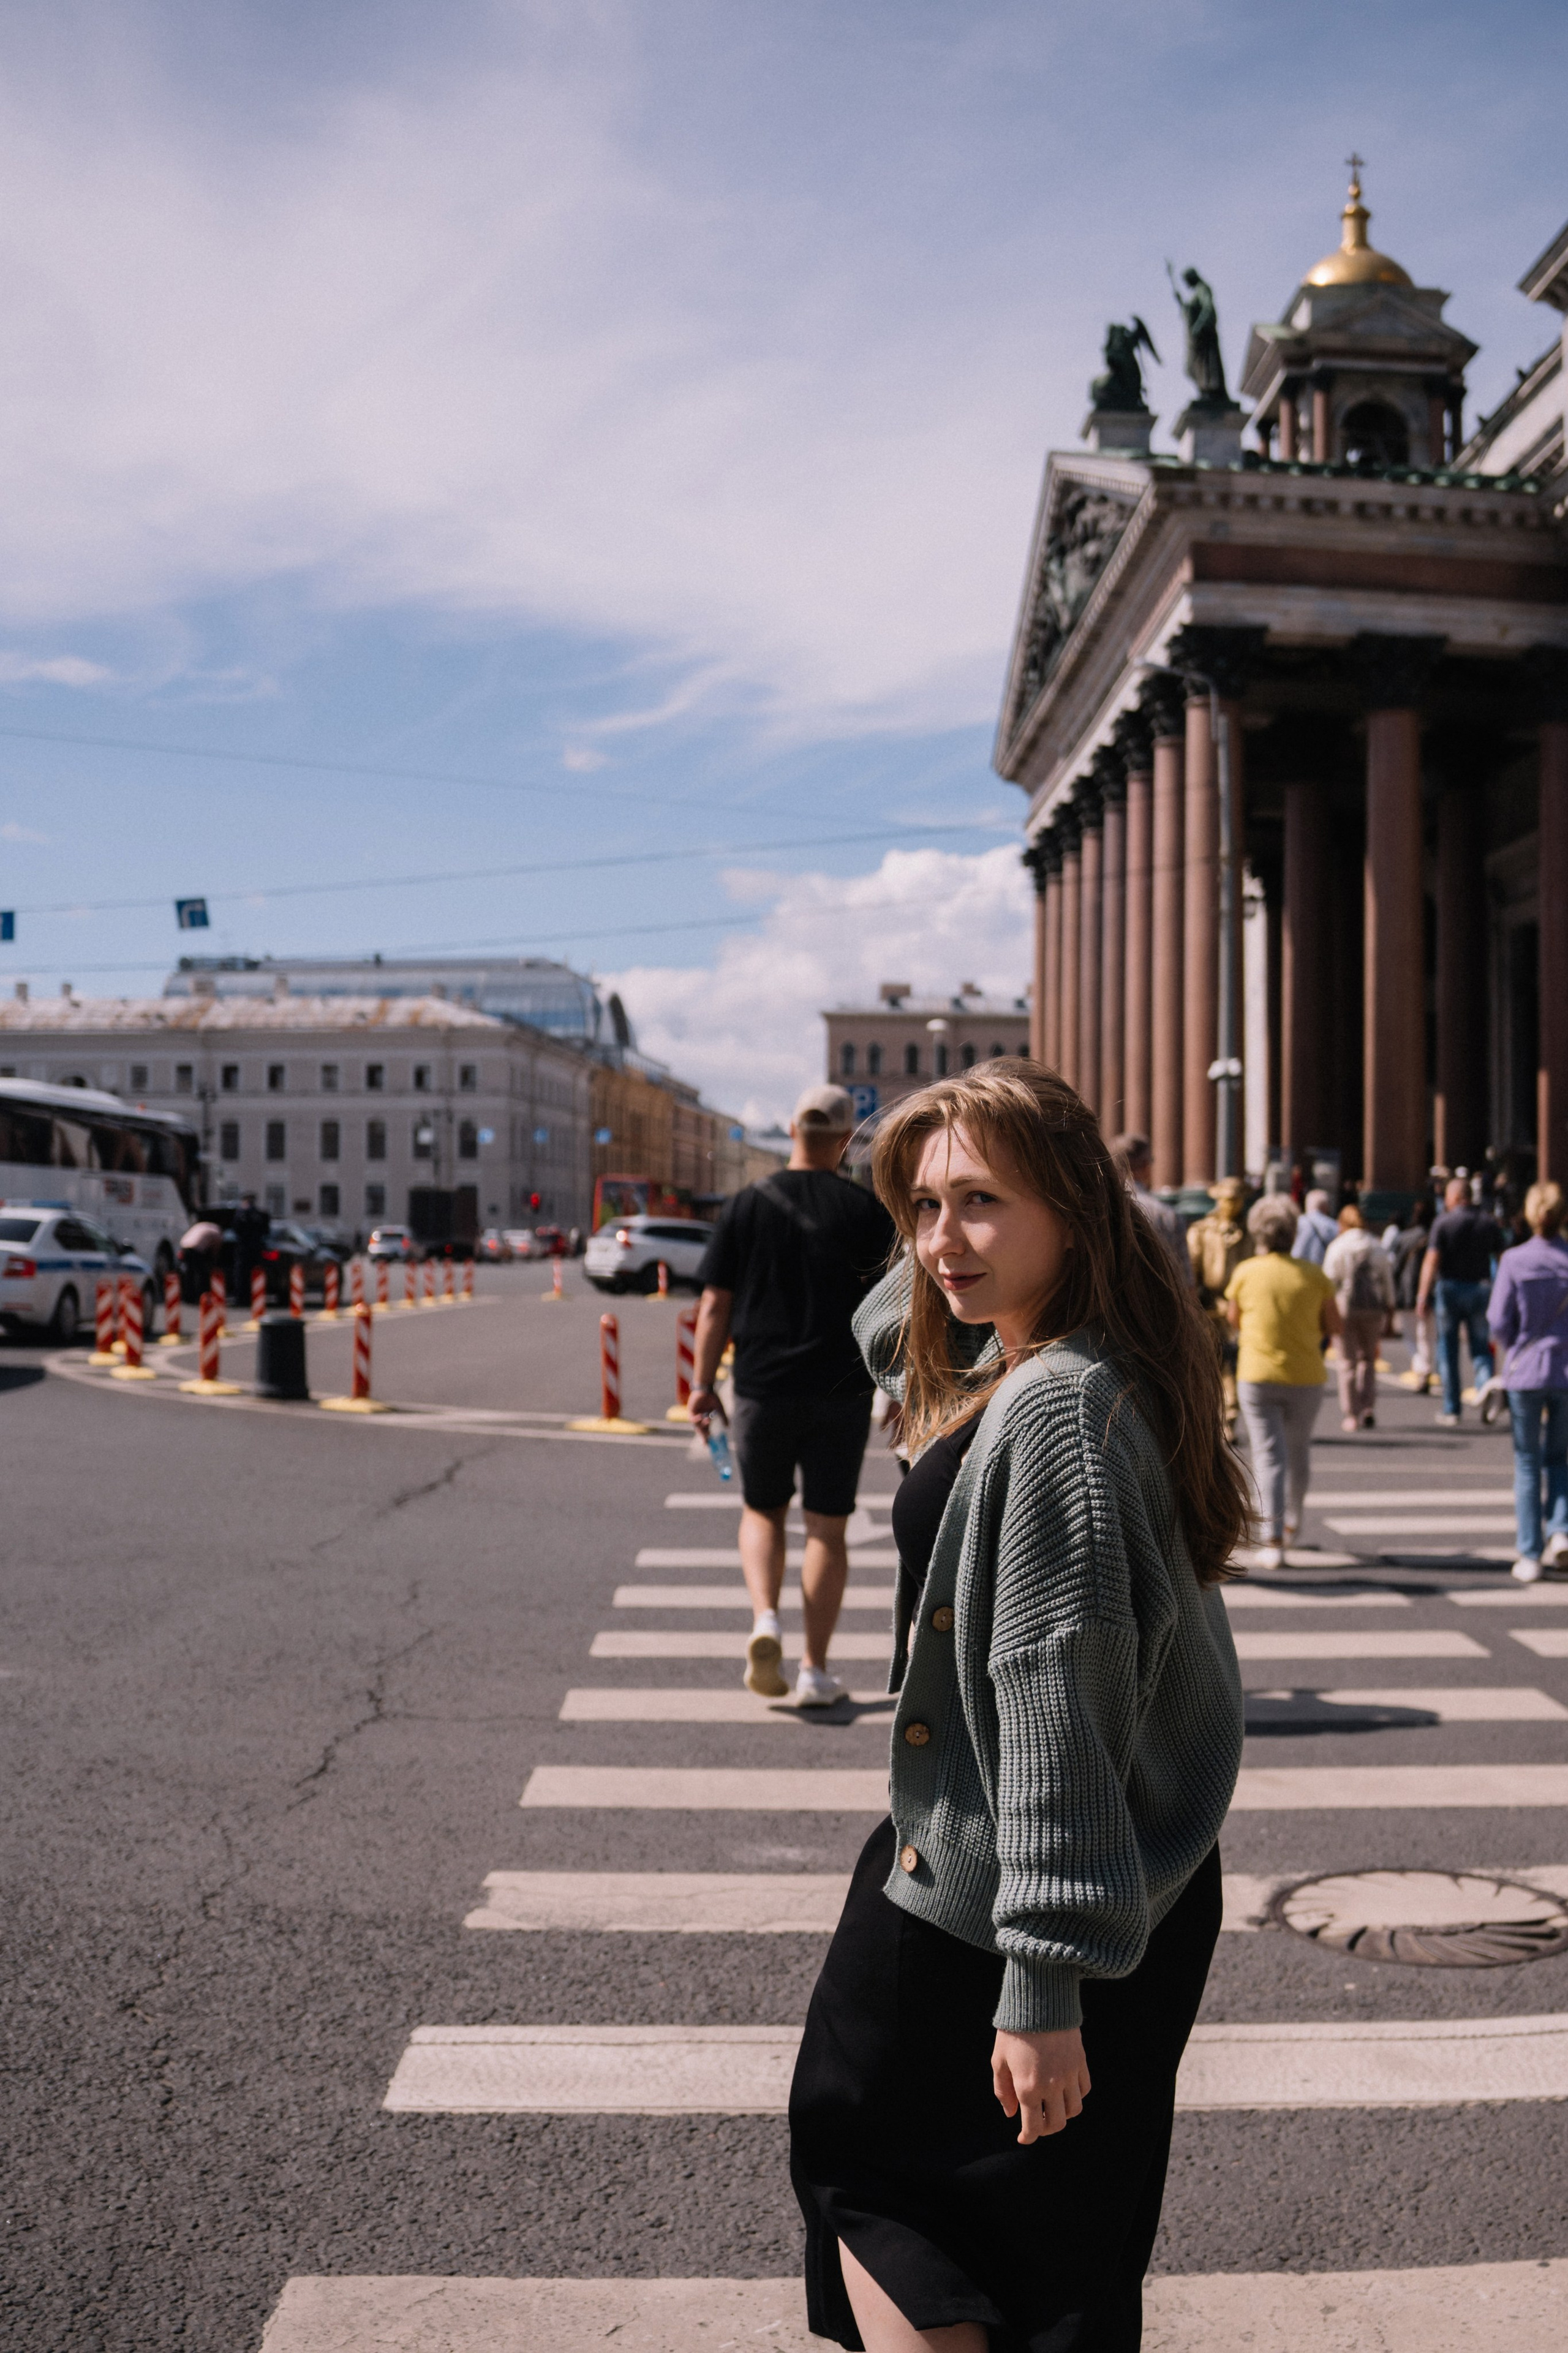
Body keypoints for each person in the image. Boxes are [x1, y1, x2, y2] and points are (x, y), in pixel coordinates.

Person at [789, 1059, 1248, 2353]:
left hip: (1009, 1899)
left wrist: (1040, 1990)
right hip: (1091, 1892)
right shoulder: (1050, 1357)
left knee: (884, 2177)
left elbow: (1057, 1710)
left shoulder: (1047, 1407)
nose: (940, 1241)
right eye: (923, 1207)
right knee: (1040, 2245)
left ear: (1075, 1213)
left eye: (981, 1203)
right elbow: (896, 1322)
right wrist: (938, 1162)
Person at [690, 1084, 895, 1708]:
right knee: (827, 1530)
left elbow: (712, 1305)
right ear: (845, 1140)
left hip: (761, 1384)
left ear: (791, 1130)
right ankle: (814, 1669)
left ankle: (764, 1619)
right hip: (841, 1391)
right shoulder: (867, 1212)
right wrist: (898, 1387)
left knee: (762, 1511)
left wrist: (702, 1386)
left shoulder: (747, 1204)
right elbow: (893, 1311)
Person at [1226, 1196, 1340, 1571]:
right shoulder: (1314, 1275)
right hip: (1306, 1374)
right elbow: (1334, 1326)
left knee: (1268, 1454)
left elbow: (1234, 1318)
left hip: (1257, 1373)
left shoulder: (1246, 1272)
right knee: (1299, 1450)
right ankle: (1293, 1521)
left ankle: (1272, 1538)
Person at [1487, 1181, 1568, 1585]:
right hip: (1566, 1368)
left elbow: (1499, 1320)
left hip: (1526, 1368)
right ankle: (1561, 1531)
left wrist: (1514, 1342)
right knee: (1560, 1457)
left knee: (1527, 1460)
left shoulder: (1515, 1260)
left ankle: (1530, 1552)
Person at [1416, 1176, 1505, 1428]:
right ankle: (1485, 1383)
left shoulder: (1444, 1222)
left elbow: (1432, 1261)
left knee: (1448, 1349)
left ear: (1454, 1198)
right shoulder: (1488, 1222)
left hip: (1450, 1289)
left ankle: (1452, 1409)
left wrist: (1423, 1295)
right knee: (1481, 1344)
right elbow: (1502, 1258)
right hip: (1481, 1288)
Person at [1322, 1204, 1395, 1433]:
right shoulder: (1377, 1246)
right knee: (1369, 1360)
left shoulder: (1338, 1247)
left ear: (1342, 1224)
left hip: (1345, 1309)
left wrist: (1325, 1316)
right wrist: (1390, 1311)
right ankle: (1368, 1408)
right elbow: (1387, 1282)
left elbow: (1327, 1284)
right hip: (1373, 1309)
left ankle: (1351, 1414)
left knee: (1346, 1363)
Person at [1186, 1179, 1248, 1438]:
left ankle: (1229, 1417)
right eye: (1226, 1199)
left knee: (1233, 1363)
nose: (1230, 1205)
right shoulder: (1201, 1231)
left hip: (1238, 1305)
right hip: (1207, 1305)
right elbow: (1191, 1271)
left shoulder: (1248, 1233)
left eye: (1236, 1200)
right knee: (1212, 1362)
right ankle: (1212, 1417)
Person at [1107, 1131, 1191, 1283]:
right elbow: (1185, 1283)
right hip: (1156, 1303)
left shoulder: (1097, 1210)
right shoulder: (1168, 1215)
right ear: (1146, 1166)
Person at [1391, 1198, 1436, 1392]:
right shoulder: (1436, 1236)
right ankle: (1425, 1369)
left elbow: (1394, 1266)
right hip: (1431, 1293)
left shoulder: (1403, 1238)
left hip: (1407, 1293)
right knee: (1428, 1336)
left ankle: (1421, 1368)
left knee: (1411, 1336)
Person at [230, 1193, 270, 1303]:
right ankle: (255, 1296)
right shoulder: (261, 1214)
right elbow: (266, 1231)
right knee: (256, 1273)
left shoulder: (241, 1213)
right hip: (257, 1247)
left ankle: (242, 1297)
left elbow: (236, 1229)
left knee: (242, 1274)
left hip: (244, 1248)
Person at [1291, 1188, 1338, 1266]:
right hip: (1320, 1271)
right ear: (1326, 1207)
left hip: (1298, 1269)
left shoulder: (1296, 1223)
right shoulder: (1334, 1226)